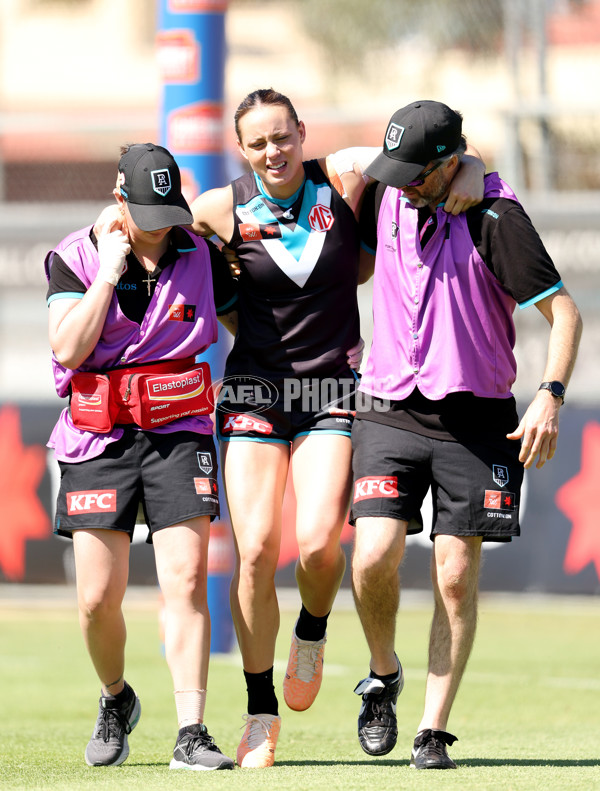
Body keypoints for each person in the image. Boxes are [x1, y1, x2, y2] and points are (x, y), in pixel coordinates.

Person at [185, 89, 487, 769]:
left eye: (282, 136)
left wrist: (471, 167)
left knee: (320, 544)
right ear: (242, 149)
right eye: (258, 142)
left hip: (331, 390)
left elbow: (432, 157)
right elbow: (159, 237)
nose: (273, 151)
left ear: (301, 132)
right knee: (257, 548)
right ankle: (260, 711)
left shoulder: (345, 174)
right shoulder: (218, 208)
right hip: (254, 391)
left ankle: (312, 630)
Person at [349, 101, 583, 769]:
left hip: (476, 418)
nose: (400, 185)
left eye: (416, 173)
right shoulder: (387, 190)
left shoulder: (496, 217)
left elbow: (565, 315)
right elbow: (313, 168)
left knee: (454, 574)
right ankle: (383, 672)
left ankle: (431, 728)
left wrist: (550, 395)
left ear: (450, 160)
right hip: (389, 403)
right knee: (371, 557)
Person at [44, 143, 238, 771]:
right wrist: (107, 270)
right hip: (97, 439)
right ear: (119, 198)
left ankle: (192, 731)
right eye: (147, 211)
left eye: (169, 211)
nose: (161, 226)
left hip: (180, 432)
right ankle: (115, 698)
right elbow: (70, 349)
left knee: (185, 582)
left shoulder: (202, 253)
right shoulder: (73, 257)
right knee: (98, 599)